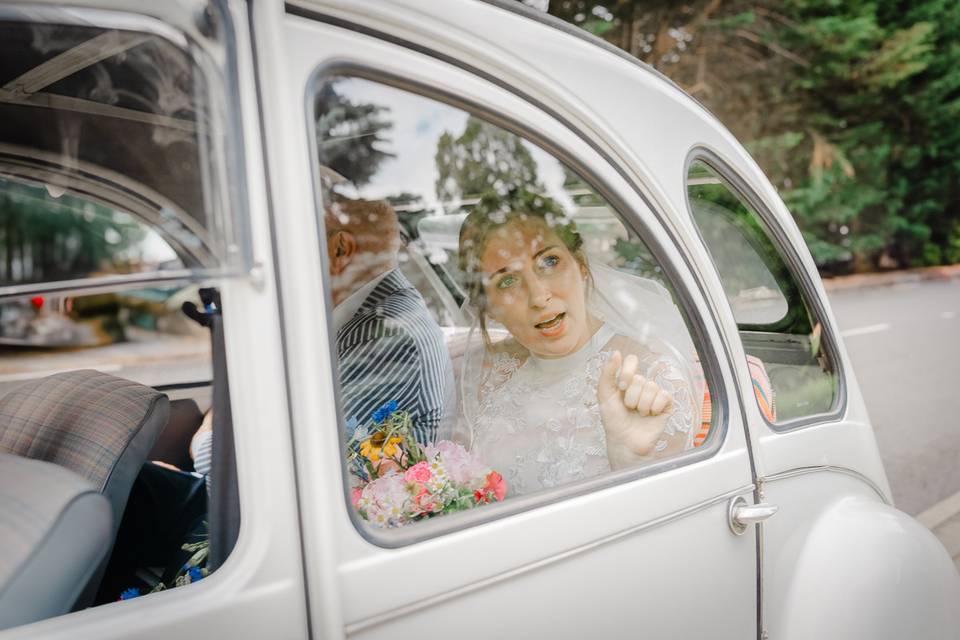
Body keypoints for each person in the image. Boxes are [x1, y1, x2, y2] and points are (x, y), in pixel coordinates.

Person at [457, 192, 700, 497]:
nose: (538, 296)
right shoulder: (493, 373)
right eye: (507, 281)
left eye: (549, 261)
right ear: (488, 307)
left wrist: (628, 461)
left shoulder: (651, 379)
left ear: (581, 265)